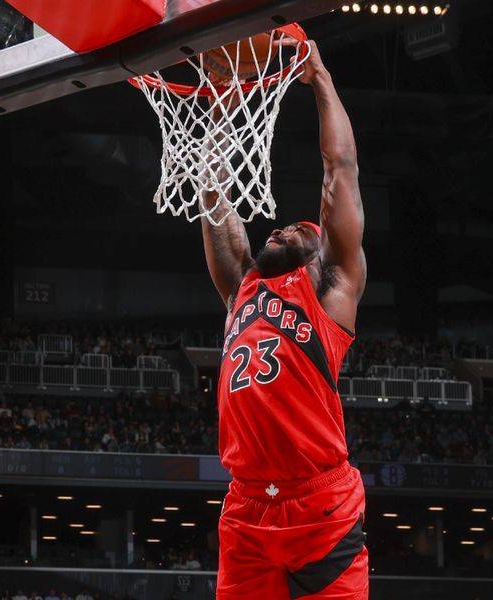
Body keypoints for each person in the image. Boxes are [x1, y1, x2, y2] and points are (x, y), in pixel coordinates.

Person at [200, 39, 368, 599]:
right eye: (278, 227)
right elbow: (214, 193)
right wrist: (224, 104)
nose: (280, 229)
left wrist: (319, 75)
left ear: (321, 254)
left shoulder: (329, 292)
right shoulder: (240, 288)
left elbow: (339, 168)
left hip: (319, 503)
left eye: (298, 230)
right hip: (246, 504)